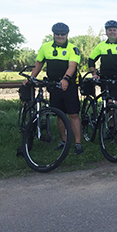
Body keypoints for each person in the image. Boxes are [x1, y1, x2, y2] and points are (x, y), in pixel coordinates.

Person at [24, 22, 83, 154]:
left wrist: (66, 79)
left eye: (63, 34)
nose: (60, 36)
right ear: (53, 34)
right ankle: (64, 141)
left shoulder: (73, 48)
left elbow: (72, 66)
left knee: (73, 114)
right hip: (53, 86)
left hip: (69, 85)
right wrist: (31, 78)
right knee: (59, 114)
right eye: (57, 34)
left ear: (67, 34)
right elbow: (38, 63)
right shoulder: (45, 47)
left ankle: (78, 143)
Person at [88, 20, 117, 103]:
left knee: (113, 103)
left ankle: (112, 115)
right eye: (110, 30)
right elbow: (91, 60)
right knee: (108, 103)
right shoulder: (101, 45)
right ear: (106, 32)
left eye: (114, 30)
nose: (112, 32)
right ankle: (104, 115)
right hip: (104, 79)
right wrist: (94, 74)